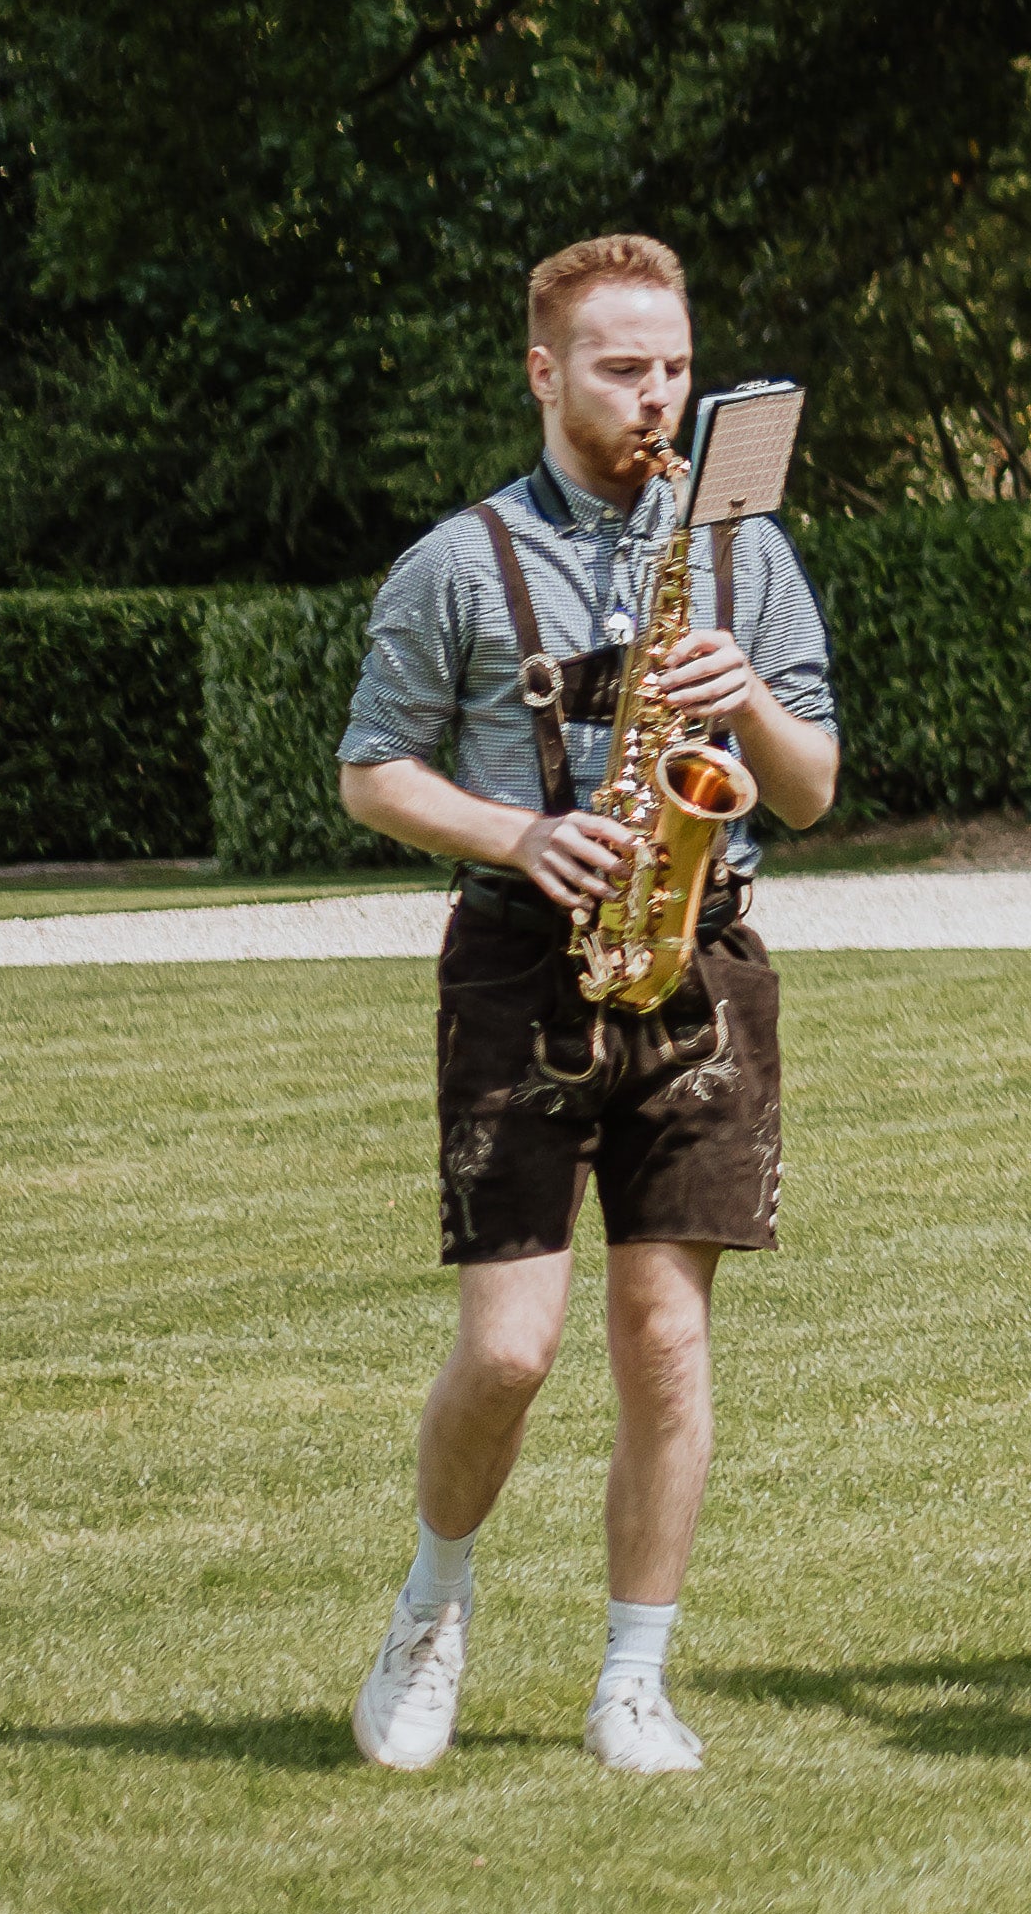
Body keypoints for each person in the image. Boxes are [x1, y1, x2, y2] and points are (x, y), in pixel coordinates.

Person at [335, 235, 843, 1779]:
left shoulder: (743, 550)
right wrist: (519, 831)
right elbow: (371, 772)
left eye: (677, 367)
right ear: (546, 374)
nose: (658, 399)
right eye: (625, 369)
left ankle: (635, 1677)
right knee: (508, 1353)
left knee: (665, 1340)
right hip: (521, 962)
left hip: (702, 961)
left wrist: (737, 693)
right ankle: (433, 1606)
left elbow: (810, 789)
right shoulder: (454, 562)